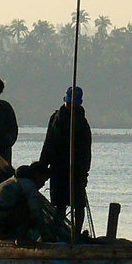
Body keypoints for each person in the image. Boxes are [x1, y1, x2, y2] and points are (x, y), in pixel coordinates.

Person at [41, 86, 91, 232]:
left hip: (76, 170)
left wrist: (83, 173)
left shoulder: (82, 123)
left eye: (74, 104)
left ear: (79, 103)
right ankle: (56, 231)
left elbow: (85, 151)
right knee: (58, 203)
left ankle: (76, 232)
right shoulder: (55, 119)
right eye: (69, 103)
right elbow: (48, 143)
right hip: (57, 168)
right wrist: (42, 165)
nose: (70, 106)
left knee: (79, 203)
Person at [0, 161, 53, 242]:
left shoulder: (12, 181)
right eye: (43, 180)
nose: (43, 184)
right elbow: (36, 212)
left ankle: (4, 234)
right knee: (31, 208)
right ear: (37, 176)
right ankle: (21, 238)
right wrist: (45, 234)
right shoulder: (29, 185)